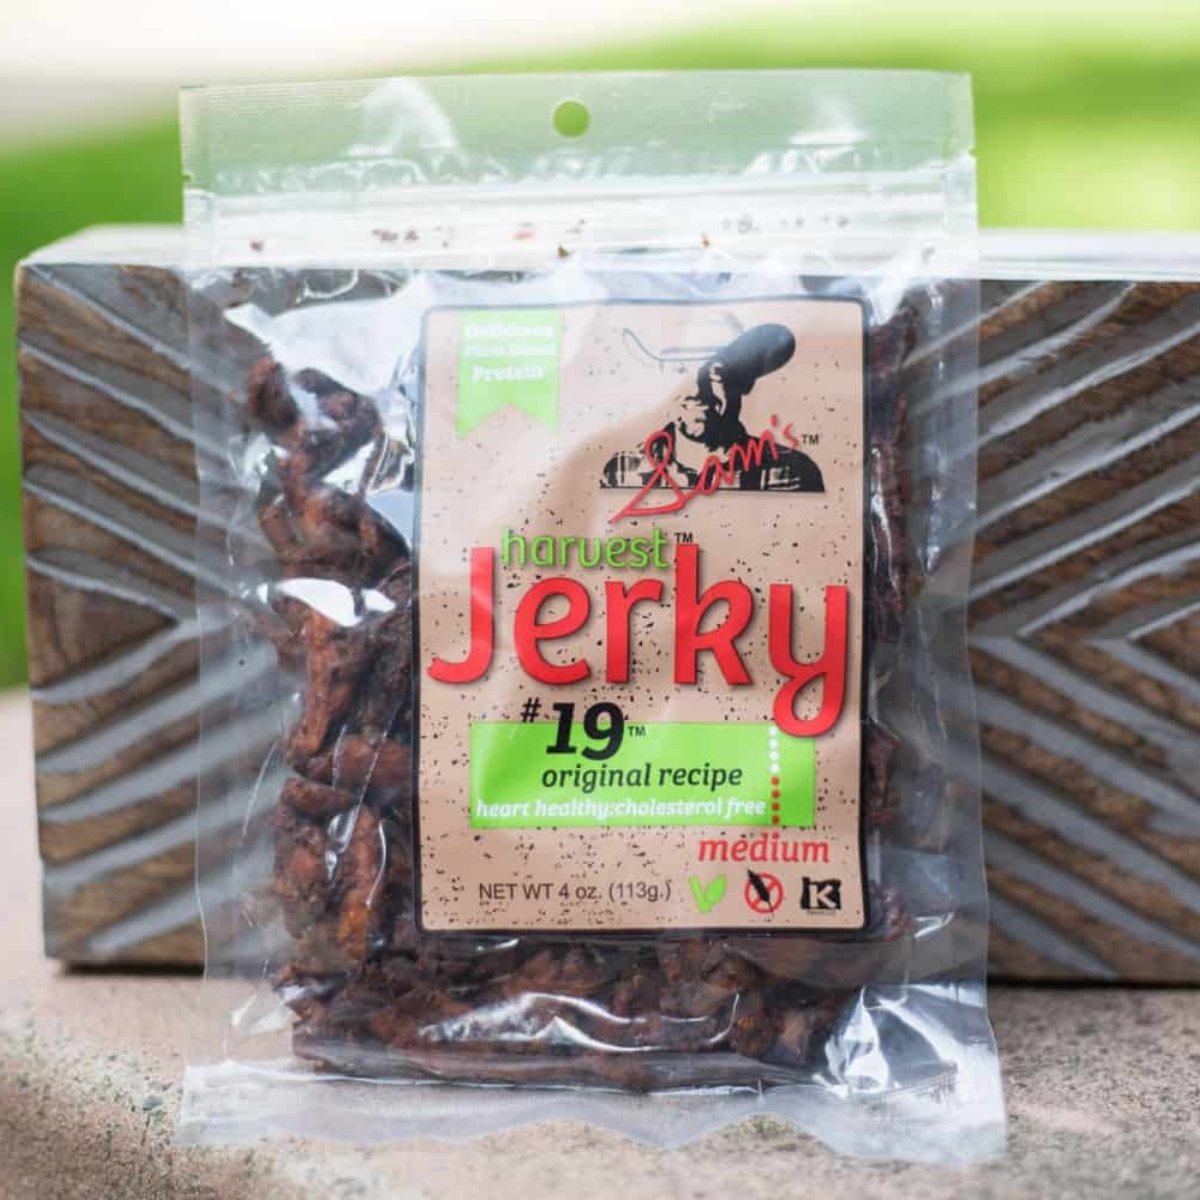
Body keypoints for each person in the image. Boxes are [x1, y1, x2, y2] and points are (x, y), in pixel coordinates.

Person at [601, 323, 824, 494]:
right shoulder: (622, 471)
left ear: (745, 383)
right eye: (681, 372)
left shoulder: (793, 474)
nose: (696, 390)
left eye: (714, 373)